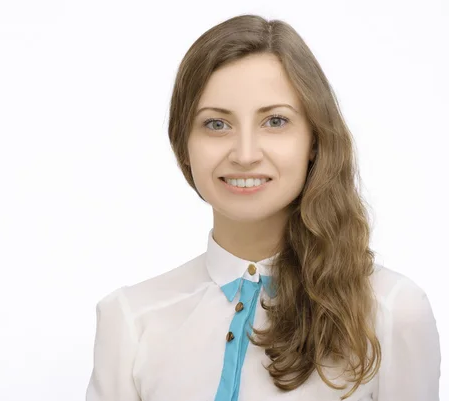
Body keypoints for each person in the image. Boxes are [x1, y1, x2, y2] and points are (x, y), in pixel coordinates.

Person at [85, 14, 441, 401]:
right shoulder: (130, 320)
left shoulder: (392, 311)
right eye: (216, 125)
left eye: (275, 121)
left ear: (315, 141)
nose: (245, 154)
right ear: (183, 145)